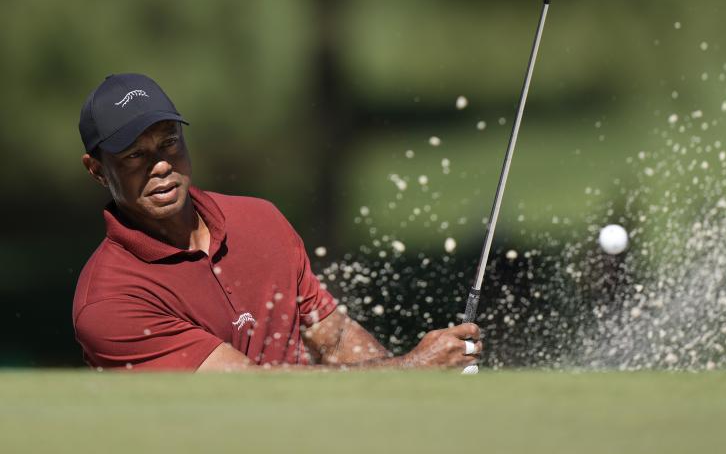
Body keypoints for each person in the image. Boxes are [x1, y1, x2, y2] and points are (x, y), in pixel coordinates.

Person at [73, 73, 481, 371]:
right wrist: (410, 371)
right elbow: (254, 396)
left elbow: (334, 338)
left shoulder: (259, 220)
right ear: (96, 170)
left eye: (169, 144)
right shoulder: (110, 302)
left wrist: (406, 401)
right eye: (134, 156)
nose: (161, 165)